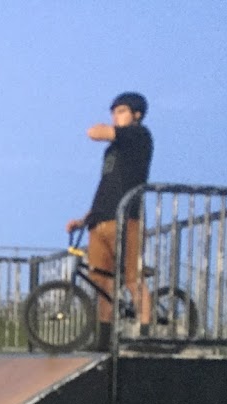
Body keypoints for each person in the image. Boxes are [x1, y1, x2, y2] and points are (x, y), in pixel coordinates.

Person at [67, 91, 153, 351]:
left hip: (126, 218)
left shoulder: (139, 136)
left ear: (136, 115)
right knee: (101, 282)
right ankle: (103, 340)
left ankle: (146, 333)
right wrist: (84, 219)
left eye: (121, 111)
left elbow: (99, 132)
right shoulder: (112, 152)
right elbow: (105, 188)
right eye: (114, 112)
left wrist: (100, 130)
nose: (116, 117)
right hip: (101, 221)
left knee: (131, 277)